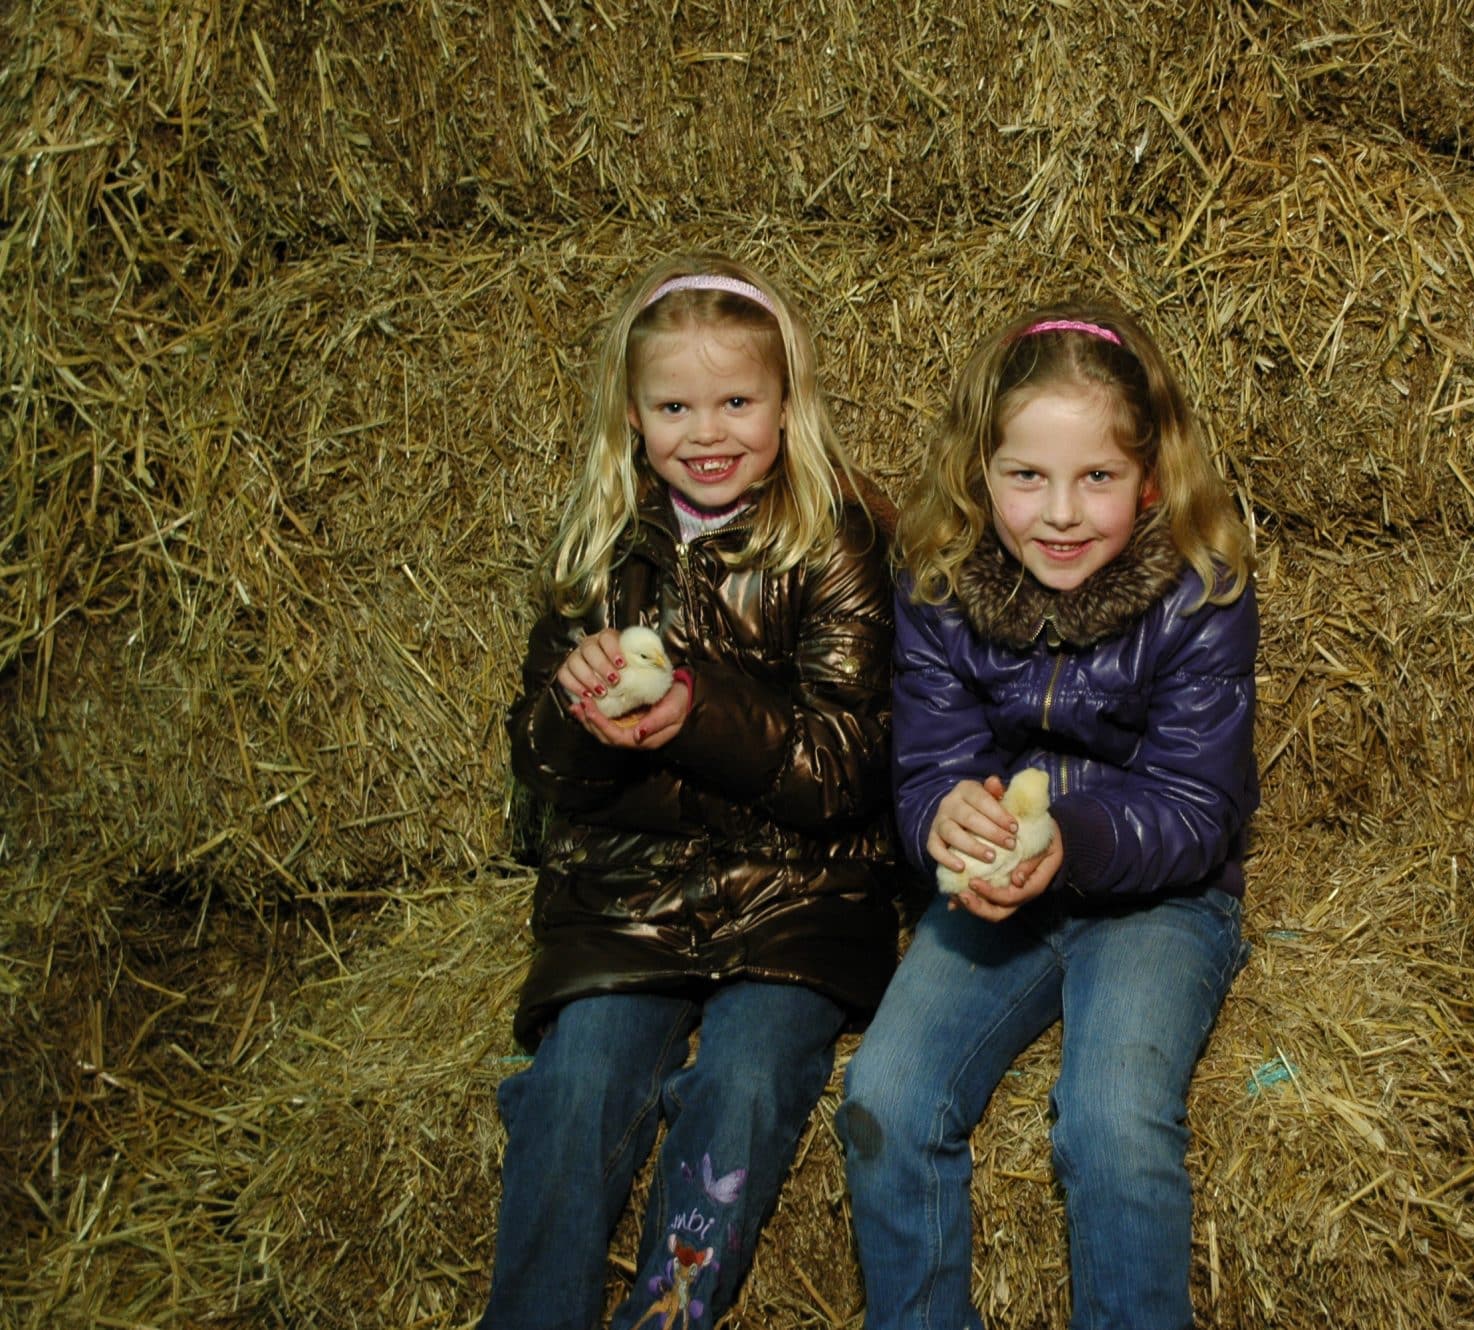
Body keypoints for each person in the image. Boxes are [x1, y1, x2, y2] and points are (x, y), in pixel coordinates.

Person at [484, 254, 900, 1330]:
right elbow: (541, 769)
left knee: (746, 1086)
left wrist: (699, 712)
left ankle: (667, 1319)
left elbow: (847, 766)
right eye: (674, 406)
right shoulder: (598, 548)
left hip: (797, 901)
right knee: (572, 1090)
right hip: (623, 899)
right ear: (631, 414)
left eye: (735, 403)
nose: (705, 432)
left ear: (785, 403)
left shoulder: (835, 540)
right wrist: (574, 711)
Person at [838, 303, 1258, 1330]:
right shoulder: (939, 587)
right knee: (885, 1095)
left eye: (1097, 476)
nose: (1061, 513)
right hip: (1000, 895)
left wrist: (1071, 840)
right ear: (978, 475)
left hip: (1160, 897)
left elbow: (1197, 804)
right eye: (1026, 476)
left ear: (1150, 477)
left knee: (1110, 1120)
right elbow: (931, 764)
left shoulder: (1199, 593)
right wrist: (941, 820)